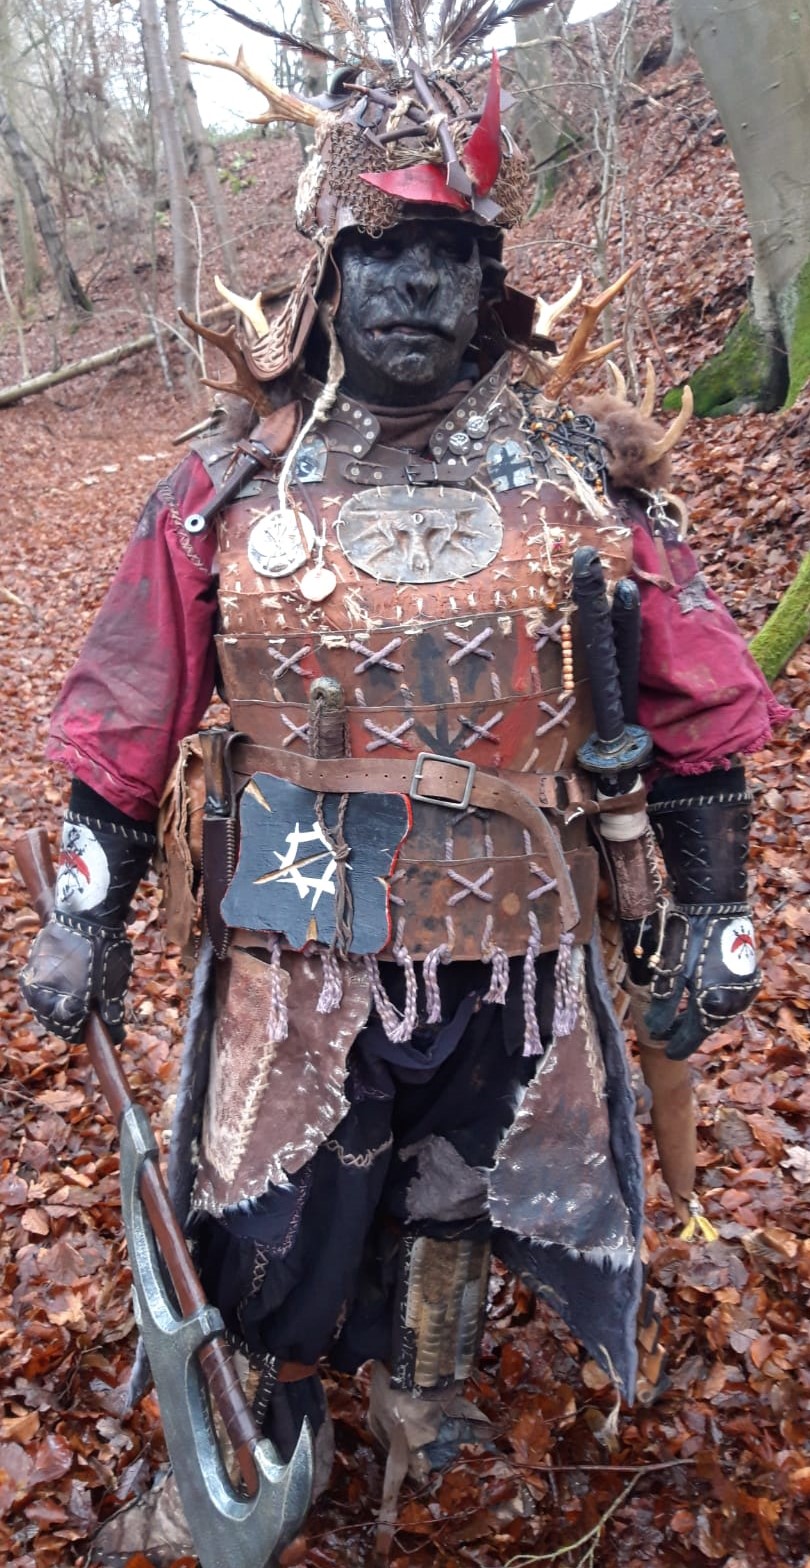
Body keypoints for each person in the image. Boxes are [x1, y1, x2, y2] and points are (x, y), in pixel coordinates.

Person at [20, 13, 785, 1564]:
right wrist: (84, 918)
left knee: (461, 1181)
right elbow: (123, 713)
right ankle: (268, 1414)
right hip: (291, 941)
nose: (415, 289)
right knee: (273, 1198)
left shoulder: (581, 484)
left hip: (516, 937)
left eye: (448, 257)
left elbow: (700, 711)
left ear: (489, 280)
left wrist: (715, 918)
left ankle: (426, 1395)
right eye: (382, 254)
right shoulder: (228, 487)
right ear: (327, 277)